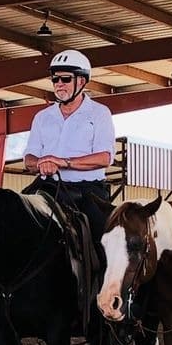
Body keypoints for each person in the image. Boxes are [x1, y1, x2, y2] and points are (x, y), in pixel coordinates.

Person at [23, 49, 116, 234]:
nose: (59, 84)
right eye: (55, 79)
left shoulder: (99, 113)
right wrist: (41, 162)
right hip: (48, 187)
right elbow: (29, 158)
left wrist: (63, 163)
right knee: (12, 214)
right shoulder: (42, 117)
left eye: (65, 79)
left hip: (87, 191)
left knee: (103, 236)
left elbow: (105, 157)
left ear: (81, 81)